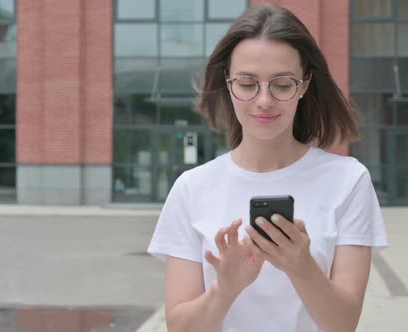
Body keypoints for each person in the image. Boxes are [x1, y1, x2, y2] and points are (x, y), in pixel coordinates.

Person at [147, 4, 387, 332]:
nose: (264, 100)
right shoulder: (192, 187)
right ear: (228, 85)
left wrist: (301, 266)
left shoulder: (348, 180)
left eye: (282, 84)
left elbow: (343, 324)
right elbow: (180, 328)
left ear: (304, 85)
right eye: (247, 84)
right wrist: (225, 288)